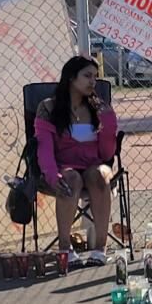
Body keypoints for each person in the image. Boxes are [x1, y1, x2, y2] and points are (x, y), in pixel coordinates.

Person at [34, 56, 118, 267]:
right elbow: (43, 148)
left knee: (99, 176)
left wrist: (108, 124)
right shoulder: (49, 108)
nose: (93, 82)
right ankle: (65, 248)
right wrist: (53, 176)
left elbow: (107, 153)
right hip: (64, 167)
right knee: (71, 179)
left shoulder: (98, 108)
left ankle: (100, 247)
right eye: (87, 76)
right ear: (71, 77)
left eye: (95, 77)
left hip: (94, 164)